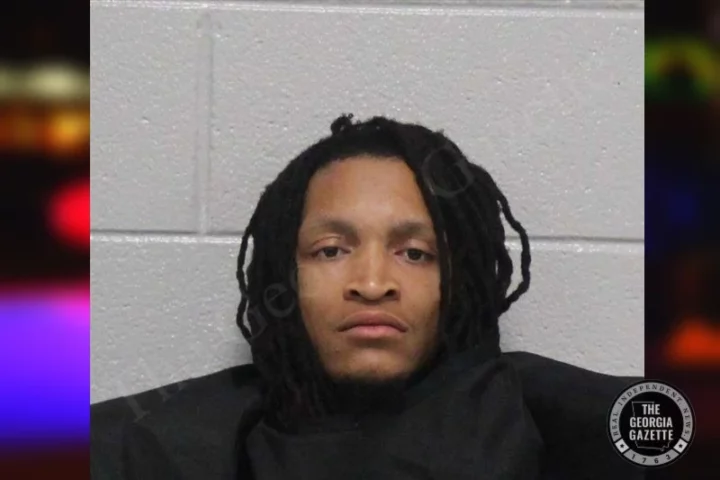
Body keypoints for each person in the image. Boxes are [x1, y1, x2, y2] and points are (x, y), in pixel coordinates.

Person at [91, 114, 642, 479]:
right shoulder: (175, 439)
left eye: (415, 253)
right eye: (331, 250)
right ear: (283, 272)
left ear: (461, 280)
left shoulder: (545, 413)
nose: (373, 284)